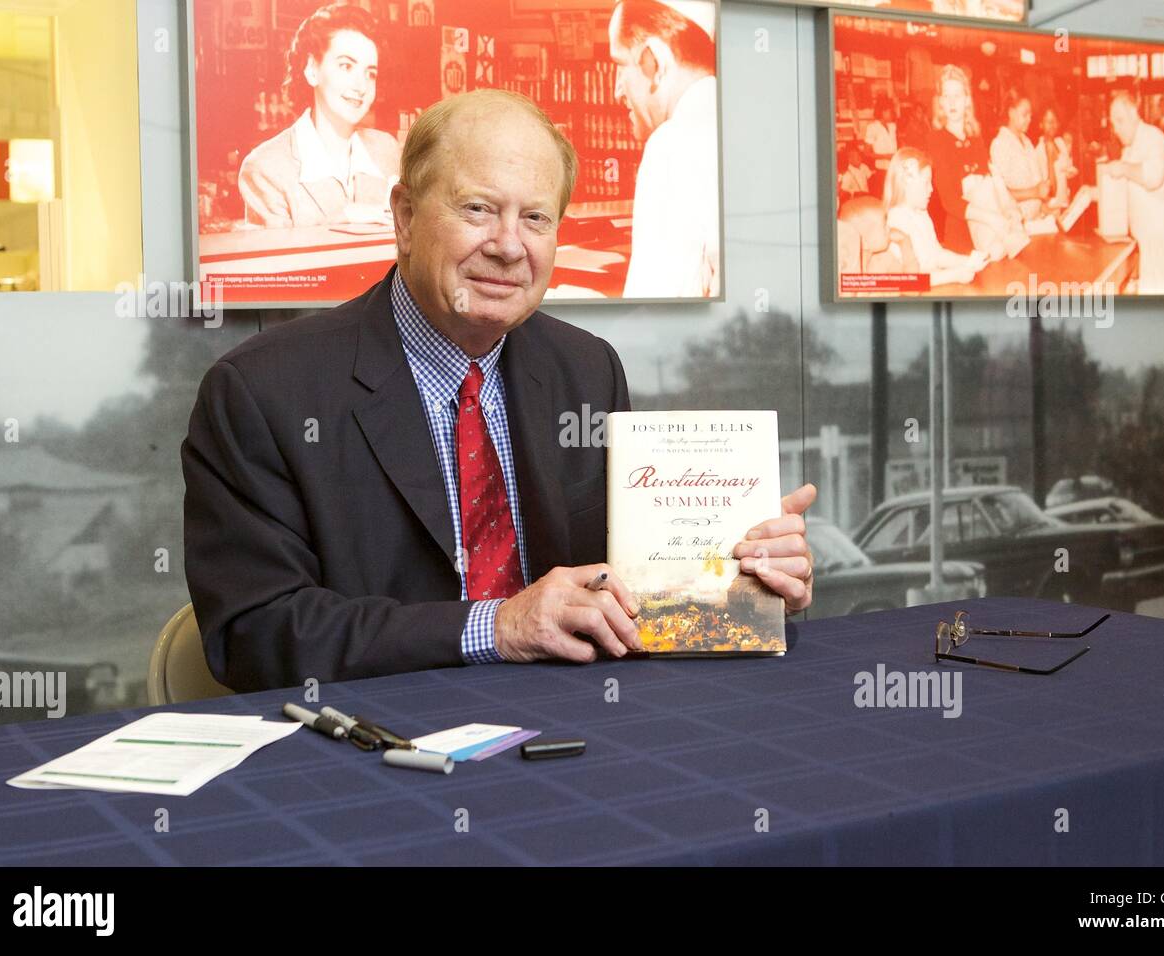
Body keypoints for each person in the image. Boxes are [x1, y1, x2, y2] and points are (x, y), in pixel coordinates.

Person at [182, 89, 817, 691]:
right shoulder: (263, 394)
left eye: (536, 218)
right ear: (404, 216)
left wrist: (743, 582)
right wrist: (496, 626)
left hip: (575, 730)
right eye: (478, 209)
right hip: (375, 753)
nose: (508, 246)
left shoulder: (586, 370)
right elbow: (254, 634)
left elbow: (633, 591)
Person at [237, 3, 399, 229]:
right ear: (312, 69)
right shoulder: (265, 168)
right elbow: (279, 259)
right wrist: (344, 216)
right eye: (346, 66)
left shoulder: (387, 151)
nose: (361, 86)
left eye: (370, 73)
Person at [609, 0, 720, 298]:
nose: (617, 90)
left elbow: (655, 310)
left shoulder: (674, 144)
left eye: (620, 65)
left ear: (653, 62)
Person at [1103, 90, 1164, 295]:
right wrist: (1092, 193)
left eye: (1120, 121)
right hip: (1145, 242)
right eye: (1114, 123)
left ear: (1134, 114)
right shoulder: (1128, 150)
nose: (1116, 129)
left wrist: (1123, 167)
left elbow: (1152, 177)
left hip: (1162, 238)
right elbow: (1121, 192)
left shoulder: (1153, 137)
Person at [883, 148, 988, 287]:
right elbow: (911, 279)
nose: (931, 189)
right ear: (907, 183)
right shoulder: (896, 220)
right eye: (926, 182)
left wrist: (968, 261)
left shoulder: (921, 213)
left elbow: (936, 254)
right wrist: (954, 275)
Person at [925, 64, 991, 255]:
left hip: (987, 233)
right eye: (947, 96)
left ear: (967, 100)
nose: (952, 102)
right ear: (940, 103)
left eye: (958, 95)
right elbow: (950, 201)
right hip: (960, 240)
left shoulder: (977, 138)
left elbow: (987, 184)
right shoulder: (935, 140)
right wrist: (992, 218)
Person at [988, 90, 1049, 220]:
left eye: (1030, 115)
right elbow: (1001, 193)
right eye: (1025, 114)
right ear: (1011, 113)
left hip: (1036, 220)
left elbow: (1035, 185)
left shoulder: (1027, 142)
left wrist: (1047, 210)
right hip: (1016, 223)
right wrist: (1035, 192)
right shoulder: (1000, 144)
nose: (1029, 119)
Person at [1035, 107, 1077, 209]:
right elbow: (1049, 190)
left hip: (1065, 202)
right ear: (1041, 124)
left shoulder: (1060, 142)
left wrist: (1070, 154)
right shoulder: (1038, 151)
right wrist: (1050, 157)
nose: (1052, 125)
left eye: (1054, 121)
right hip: (1051, 207)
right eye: (1048, 121)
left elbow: (1067, 171)